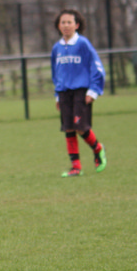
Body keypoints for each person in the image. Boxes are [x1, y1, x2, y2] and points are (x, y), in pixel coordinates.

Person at [51, 9, 107, 177]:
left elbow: (97, 67)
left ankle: (98, 149)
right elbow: (56, 73)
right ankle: (76, 167)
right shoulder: (56, 48)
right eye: (63, 22)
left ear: (77, 25)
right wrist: (57, 95)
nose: (66, 25)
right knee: (68, 128)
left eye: (69, 22)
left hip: (81, 92)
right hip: (64, 93)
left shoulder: (83, 44)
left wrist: (93, 91)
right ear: (58, 26)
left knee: (81, 128)